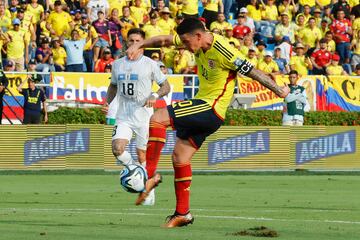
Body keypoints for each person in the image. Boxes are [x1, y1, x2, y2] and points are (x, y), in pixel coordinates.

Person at [126, 17, 289, 227]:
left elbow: (254, 72)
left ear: (198, 36)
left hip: (210, 107)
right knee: (180, 157)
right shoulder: (195, 40)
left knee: (157, 118)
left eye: (186, 42)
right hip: (206, 109)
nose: (184, 47)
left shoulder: (224, 51)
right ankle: (182, 213)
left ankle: (148, 175)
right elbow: (166, 40)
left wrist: (280, 91)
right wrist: (140, 44)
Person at [103, 28, 170, 205]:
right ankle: (135, 171)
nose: (133, 44)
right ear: (126, 43)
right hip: (124, 114)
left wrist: (154, 96)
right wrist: (107, 103)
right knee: (117, 148)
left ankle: (148, 191)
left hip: (144, 116)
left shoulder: (150, 64)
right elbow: (113, 87)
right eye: (130, 41)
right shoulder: (117, 64)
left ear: (143, 44)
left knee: (143, 157)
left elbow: (166, 87)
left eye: (137, 41)